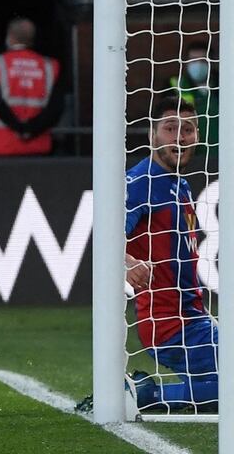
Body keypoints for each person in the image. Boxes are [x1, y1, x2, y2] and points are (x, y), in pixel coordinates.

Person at [123, 95, 217, 412]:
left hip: (194, 320)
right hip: (170, 325)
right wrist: (127, 263)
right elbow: (107, 234)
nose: (180, 136)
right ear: (152, 134)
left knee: (219, 385)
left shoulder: (181, 184)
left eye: (188, 129)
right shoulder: (141, 181)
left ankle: (150, 392)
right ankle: (145, 395)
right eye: (170, 128)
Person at [0, 17, 64, 156]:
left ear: (10, 37)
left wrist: (19, 128)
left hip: (4, 144)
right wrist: (30, 129)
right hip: (39, 144)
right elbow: (56, 108)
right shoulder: (50, 66)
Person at [169, 40, 218, 151]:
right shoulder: (175, 87)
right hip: (190, 158)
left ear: (211, 62)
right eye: (193, 61)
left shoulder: (224, 86)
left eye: (203, 60)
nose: (198, 65)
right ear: (186, 63)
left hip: (222, 156)